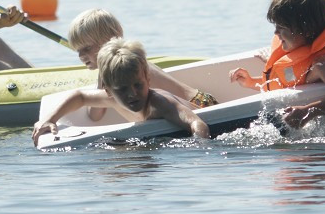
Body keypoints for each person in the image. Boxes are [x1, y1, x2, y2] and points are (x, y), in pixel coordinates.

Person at [33, 38, 210, 145]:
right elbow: (80, 97)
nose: (132, 94)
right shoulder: (113, 99)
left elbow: (198, 124)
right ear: (108, 90)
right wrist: (49, 120)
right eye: (122, 89)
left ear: (147, 79)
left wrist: (198, 150)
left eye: (138, 85)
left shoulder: (159, 103)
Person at [229, 0, 325, 128]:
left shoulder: (323, 63)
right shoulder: (299, 55)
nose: (276, 33)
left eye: (282, 28)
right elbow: (287, 82)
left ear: (306, 31)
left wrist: (308, 111)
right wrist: (251, 82)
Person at [67, 8, 217, 122]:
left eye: (86, 48)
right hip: (200, 101)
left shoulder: (120, 70)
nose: (81, 56)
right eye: (78, 50)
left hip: (198, 108)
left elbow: (94, 115)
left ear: (108, 41)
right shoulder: (133, 60)